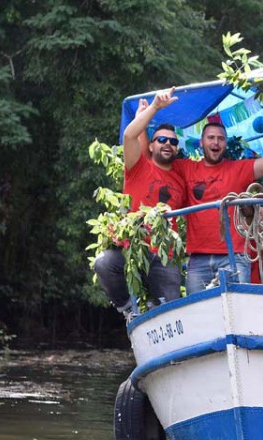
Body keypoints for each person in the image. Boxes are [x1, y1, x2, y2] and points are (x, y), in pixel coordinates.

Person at [173, 103, 263, 294]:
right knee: (198, 315)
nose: (215, 143)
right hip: (198, 258)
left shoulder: (238, 169)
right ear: (201, 142)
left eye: (220, 139)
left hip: (234, 255)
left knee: (238, 312)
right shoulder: (185, 168)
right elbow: (154, 161)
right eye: (211, 138)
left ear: (225, 143)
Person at [93, 88, 185, 319]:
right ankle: (128, 311)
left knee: (172, 309)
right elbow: (129, 136)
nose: (167, 144)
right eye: (161, 139)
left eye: (173, 142)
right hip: (132, 246)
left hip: (164, 254)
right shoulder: (137, 166)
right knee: (104, 263)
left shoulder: (181, 177)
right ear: (151, 145)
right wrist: (154, 108)